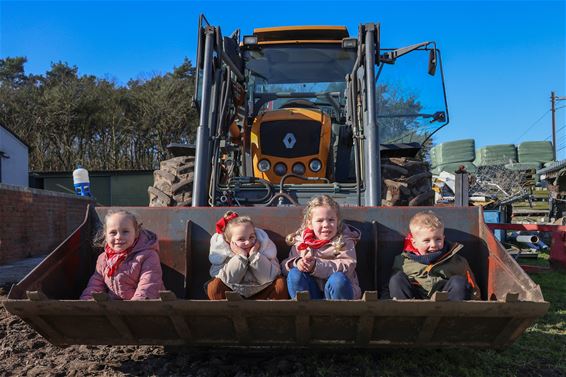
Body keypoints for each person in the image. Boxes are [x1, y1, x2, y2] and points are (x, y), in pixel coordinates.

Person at [282, 195, 361, 300]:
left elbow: (348, 265)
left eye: (331, 220)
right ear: (310, 223)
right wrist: (297, 263)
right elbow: (283, 267)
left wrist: (316, 266)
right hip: (311, 294)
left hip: (337, 294)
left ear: (338, 222)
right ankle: (304, 311)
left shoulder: (344, 241)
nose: (326, 225)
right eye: (320, 220)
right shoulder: (302, 242)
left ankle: (340, 315)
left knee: (338, 279)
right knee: (294, 274)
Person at [389, 210, 481, 301]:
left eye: (438, 239)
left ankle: (454, 314)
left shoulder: (457, 261)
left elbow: (472, 287)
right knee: (397, 279)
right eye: (427, 240)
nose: (433, 245)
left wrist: (477, 304)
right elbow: (392, 286)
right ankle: (402, 314)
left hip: (445, 301)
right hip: (414, 302)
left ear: (443, 238)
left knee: (458, 282)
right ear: (414, 243)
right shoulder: (403, 261)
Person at [80, 210, 165, 300]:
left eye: (125, 231)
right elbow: (95, 284)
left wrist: (136, 306)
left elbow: (149, 284)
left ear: (136, 233)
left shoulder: (148, 255)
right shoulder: (103, 259)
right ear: (105, 235)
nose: (118, 237)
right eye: (113, 232)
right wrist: (87, 301)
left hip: (147, 307)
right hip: (117, 308)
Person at [207, 211, 288, 300]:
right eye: (241, 239)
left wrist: (254, 255)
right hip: (232, 294)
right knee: (213, 287)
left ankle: (272, 311)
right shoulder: (222, 254)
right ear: (229, 242)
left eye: (251, 237)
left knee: (280, 284)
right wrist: (241, 257)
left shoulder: (265, 251)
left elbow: (269, 278)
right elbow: (226, 280)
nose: (248, 242)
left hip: (262, 291)